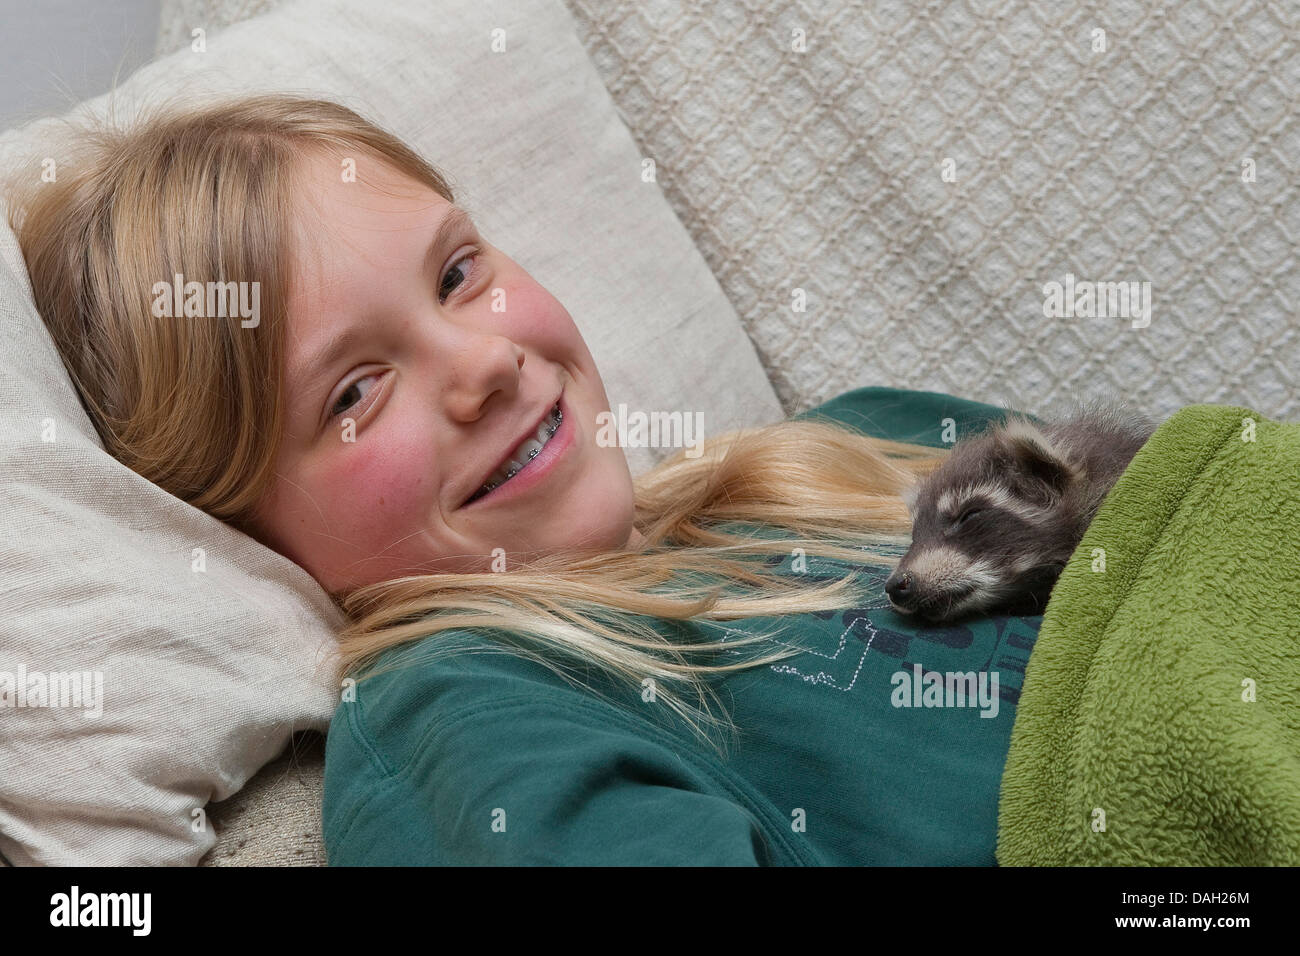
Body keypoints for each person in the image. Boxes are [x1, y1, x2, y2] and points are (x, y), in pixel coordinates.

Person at [6, 93, 1043, 865]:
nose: (487, 363)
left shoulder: (851, 443)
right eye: (354, 392)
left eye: (458, 275)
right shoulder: (465, 713)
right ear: (240, 530)